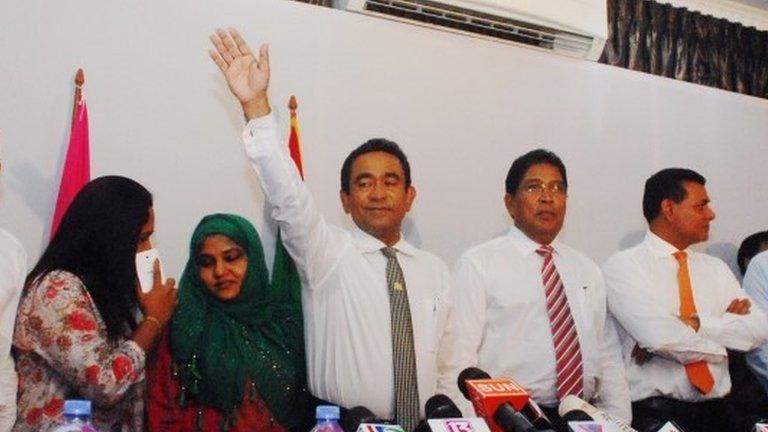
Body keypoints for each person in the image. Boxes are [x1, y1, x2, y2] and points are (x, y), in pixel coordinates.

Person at [208, 28, 454, 430]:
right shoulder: (325, 253)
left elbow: (447, 365)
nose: (377, 192)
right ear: (344, 199)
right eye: (363, 182)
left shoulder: (436, 270)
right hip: (341, 424)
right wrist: (256, 106)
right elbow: (287, 194)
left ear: (410, 197)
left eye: (390, 182)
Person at [444, 149, 630, 427]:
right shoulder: (479, 263)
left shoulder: (586, 268)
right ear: (510, 204)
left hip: (582, 417)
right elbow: (458, 361)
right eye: (534, 187)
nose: (547, 197)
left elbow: (608, 357)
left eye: (557, 188)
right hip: (513, 419)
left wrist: (618, 422)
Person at [603, 168, 768, 432]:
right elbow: (660, 338)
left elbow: (759, 330)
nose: (711, 214)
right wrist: (726, 336)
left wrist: (693, 324)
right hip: (655, 415)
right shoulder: (623, 267)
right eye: (701, 206)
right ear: (669, 208)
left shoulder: (716, 268)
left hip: (721, 412)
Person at [12, 176, 177, 431]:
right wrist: (153, 321)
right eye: (141, 239)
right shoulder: (57, 290)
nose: (148, 250)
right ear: (111, 238)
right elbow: (104, 385)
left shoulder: (113, 292)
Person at [147, 213, 309, 432]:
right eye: (206, 263)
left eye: (232, 257)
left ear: (253, 258)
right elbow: (163, 413)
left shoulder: (285, 325)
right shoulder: (183, 327)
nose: (220, 271)